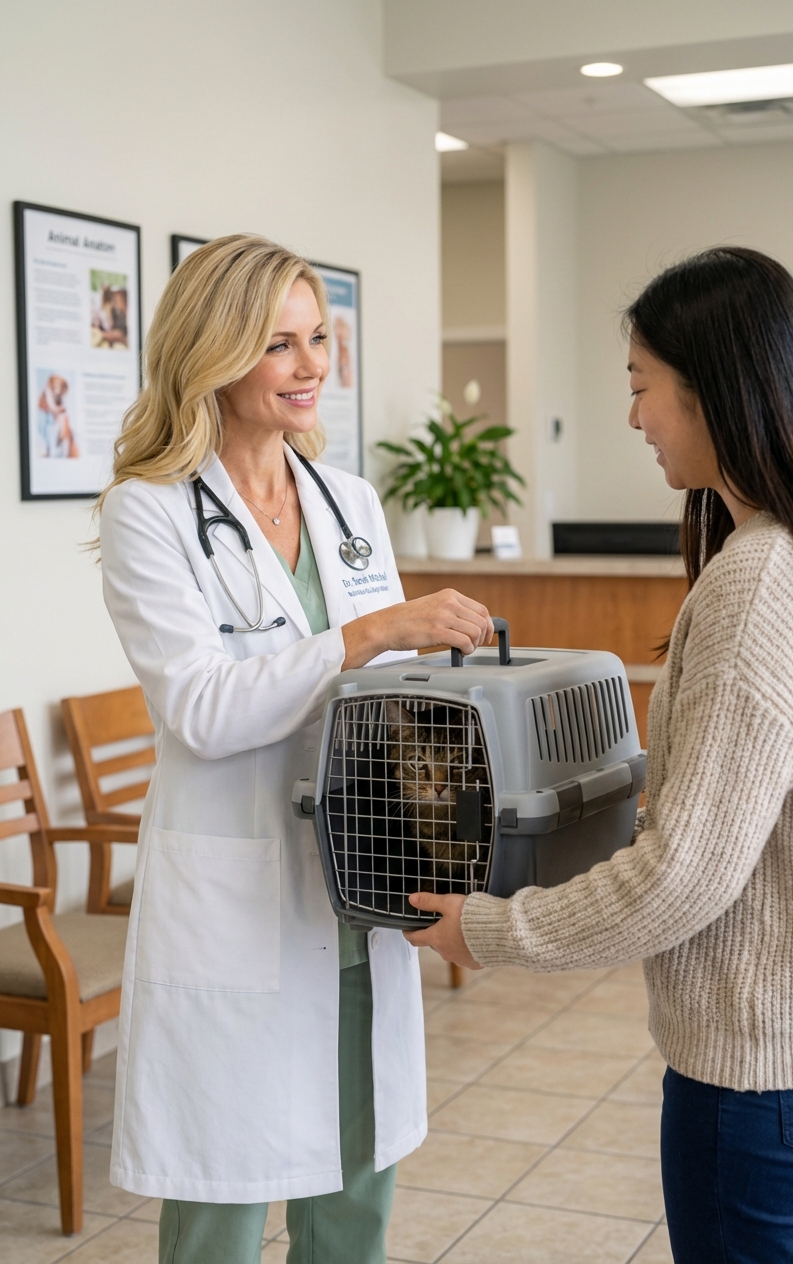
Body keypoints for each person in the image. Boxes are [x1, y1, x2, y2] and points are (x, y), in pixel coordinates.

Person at [407, 247, 793, 1264]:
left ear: (712, 392)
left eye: (640, 385)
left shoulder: (756, 586)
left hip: (752, 1082)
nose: (632, 415)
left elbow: (681, 879)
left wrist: (492, 928)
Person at [97, 234, 493, 1264]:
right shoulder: (151, 513)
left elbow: (388, 697)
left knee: (357, 1190)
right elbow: (200, 708)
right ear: (215, 353)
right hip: (236, 902)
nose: (312, 363)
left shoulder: (349, 504)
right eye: (280, 342)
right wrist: (366, 633)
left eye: (319, 337)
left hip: (357, 885)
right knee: (220, 1204)